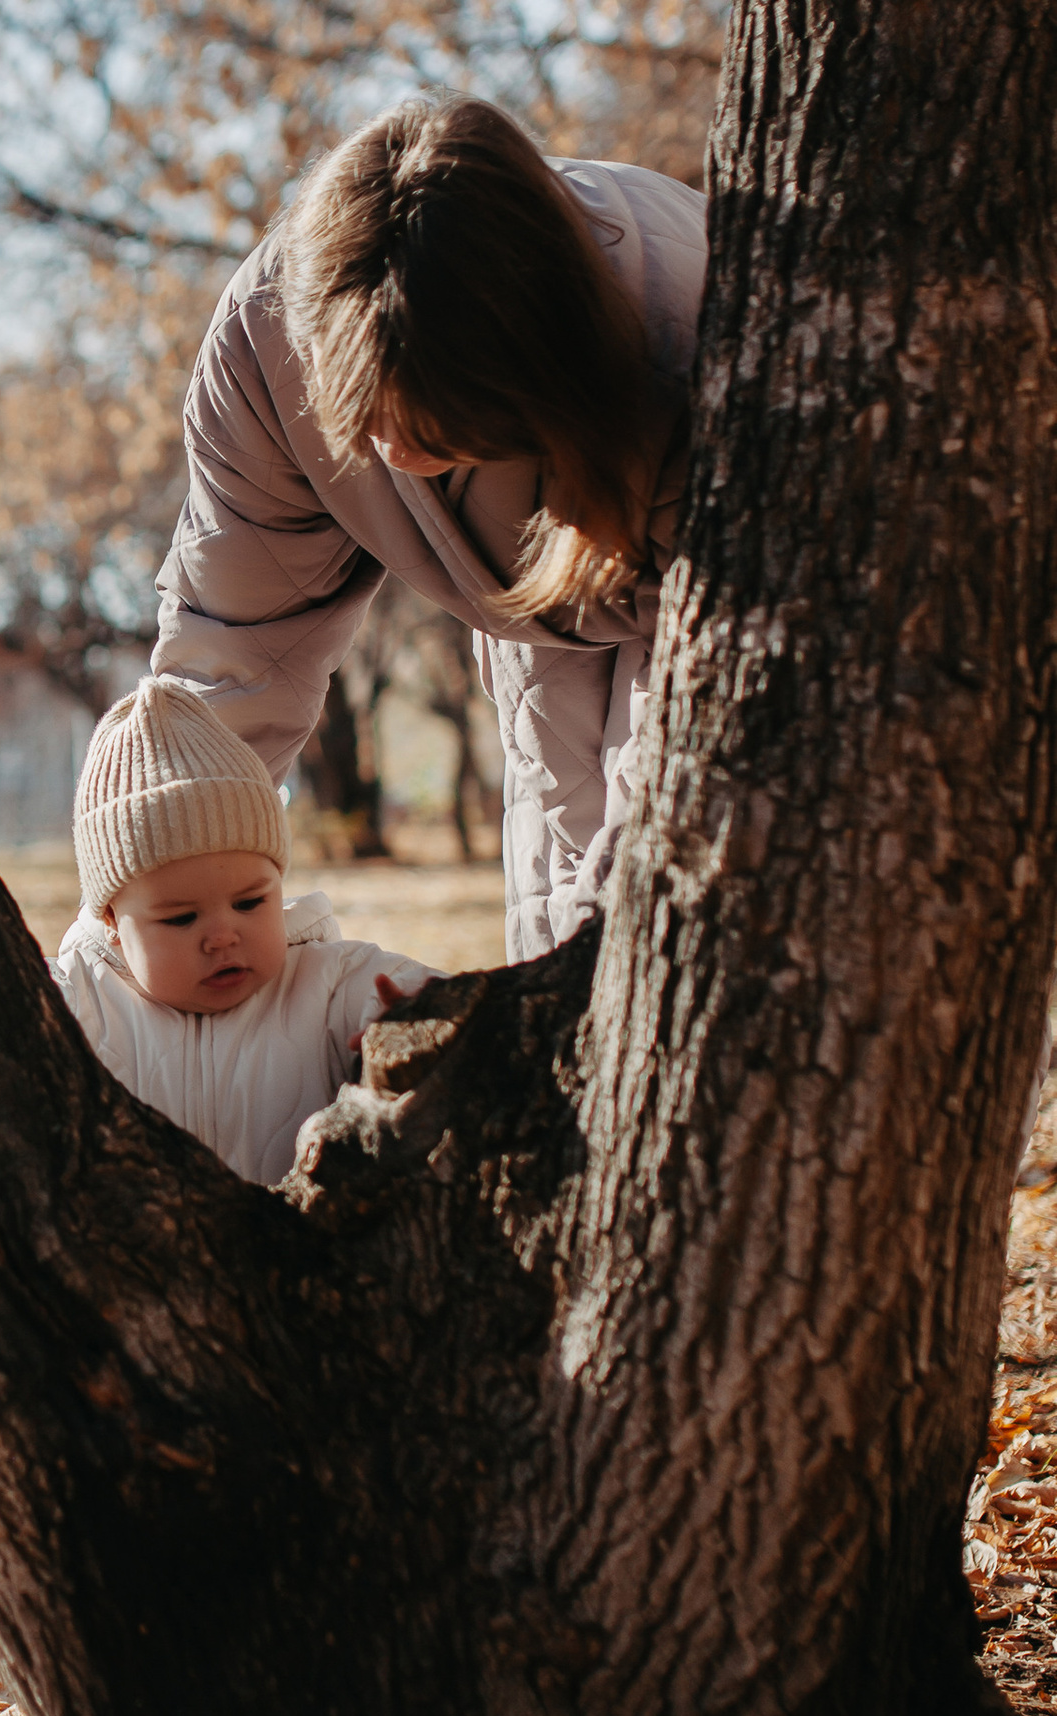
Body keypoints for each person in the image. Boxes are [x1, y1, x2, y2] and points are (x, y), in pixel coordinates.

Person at [153, 100, 708, 959]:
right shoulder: (265, 350)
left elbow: (698, 714)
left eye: (441, 427)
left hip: (688, 645)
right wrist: (151, 886)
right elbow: (236, 650)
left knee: (645, 930)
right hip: (535, 643)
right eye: (368, 419)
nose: (396, 455)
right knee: (559, 925)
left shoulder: (693, 327)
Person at [53, 680, 423, 1182]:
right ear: (112, 922)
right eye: (181, 917)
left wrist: (416, 1020)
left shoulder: (332, 984)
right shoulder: (77, 1005)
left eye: (250, 902)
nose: (223, 936)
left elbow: (443, 1005)